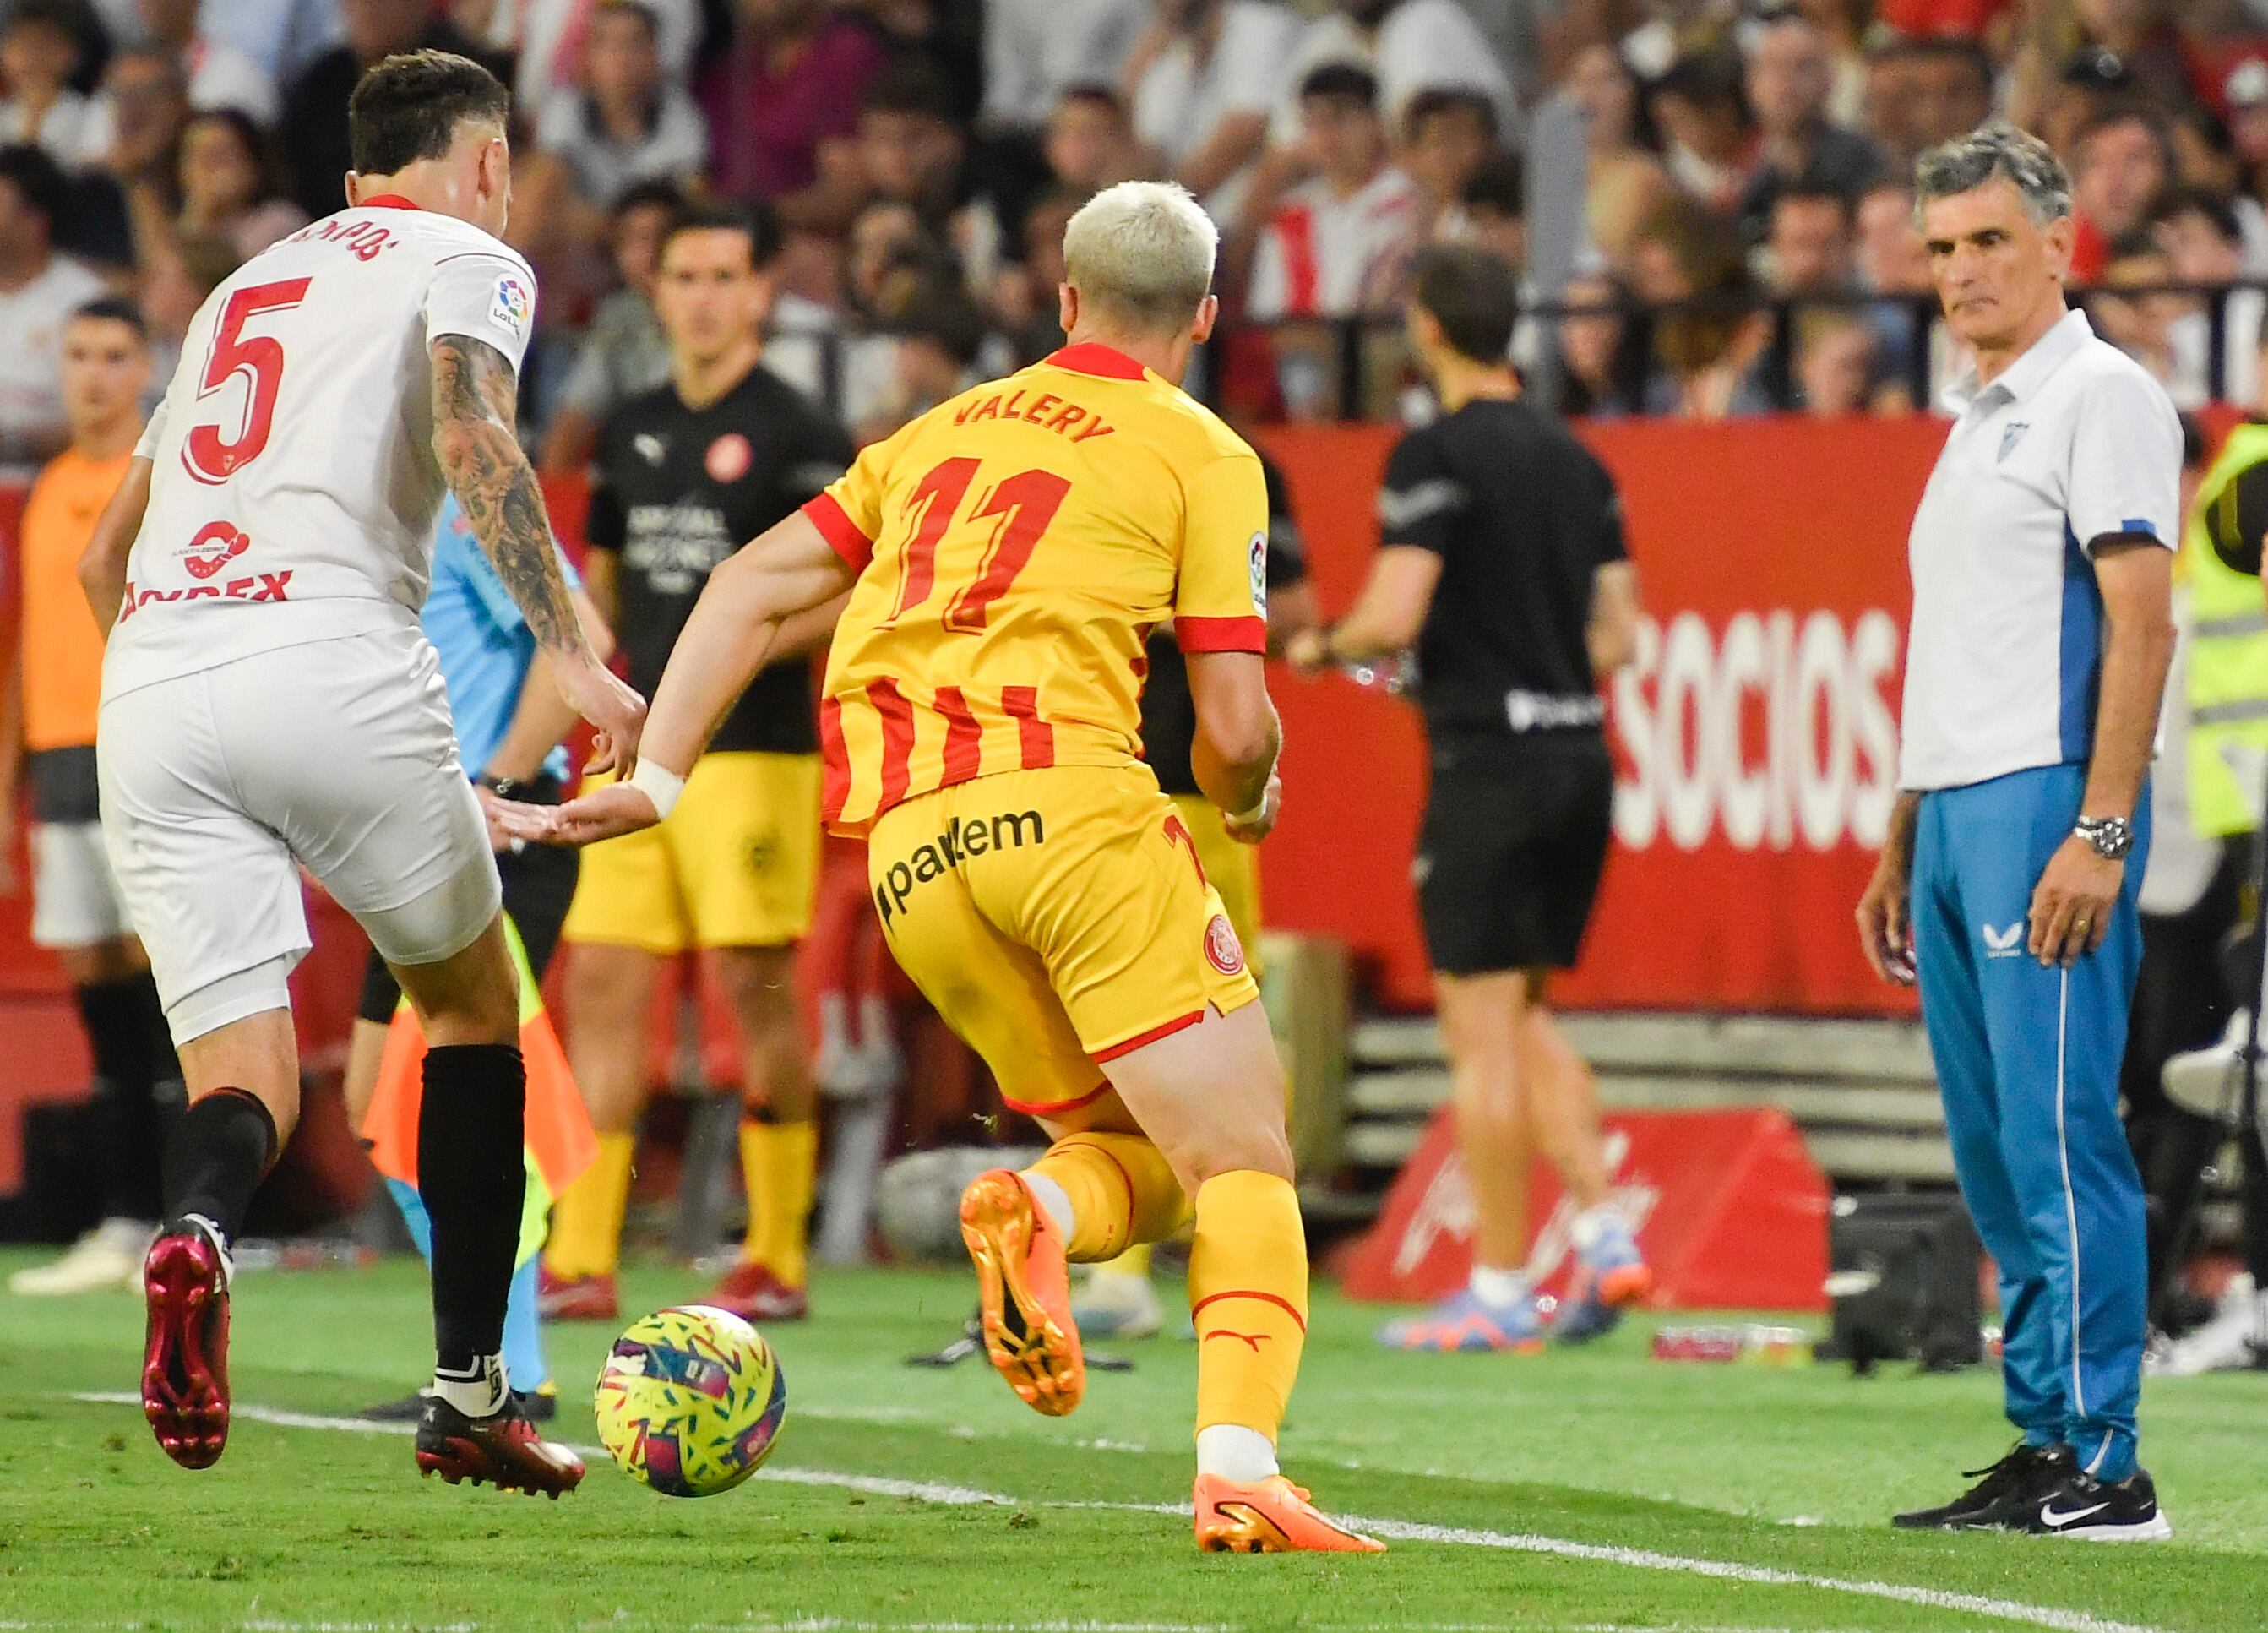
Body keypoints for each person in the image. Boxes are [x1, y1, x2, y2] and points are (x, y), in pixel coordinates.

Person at [519, 179, 1383, 1554]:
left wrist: (657, 776)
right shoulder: (1206, 451)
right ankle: (1237, 1467)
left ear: (1062, 303)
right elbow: (1226, 726)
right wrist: (1254, 788)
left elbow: (745, 582)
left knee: (1129, 1154)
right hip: (1080, 817)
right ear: (1208, 318)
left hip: (918, 852)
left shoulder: (936, 433)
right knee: (1247, 1166)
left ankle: (1034, 1201)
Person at [84, 47, 639, 1492]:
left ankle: (197, 1232)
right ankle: (473, 1394)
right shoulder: (470, 253)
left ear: (349, 184)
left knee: (242, 1070)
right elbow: (472, 433)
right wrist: (570, 649)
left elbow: (101, 555)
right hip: (331, 647)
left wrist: (193, 689)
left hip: (150, 668)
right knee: (469, 1006)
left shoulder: (236, 291)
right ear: (491, 166)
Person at [1856, 122, 2178, 1540]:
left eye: (1990, 240)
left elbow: (2142, 620)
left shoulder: (2101, 395)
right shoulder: (1977, 410)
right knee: (1997, 1155)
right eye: (1941, 248)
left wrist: (2101, 829)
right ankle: (2047, 1437)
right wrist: (1897, 834)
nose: (1962, 271)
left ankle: (2111, 1465)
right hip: (1958, 805)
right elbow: (1960, 645)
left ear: (2061, 243)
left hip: (2050, 795)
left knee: (2060, 1139)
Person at [1286, 245, 1646, 1353]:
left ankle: (1496, 1287)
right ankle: (1603, 1229)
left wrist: (1320, 645)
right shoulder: (1578, 462)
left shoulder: (1434, 451)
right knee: (1525, 1014)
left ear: (1430, 329)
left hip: (1488, 768)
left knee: (1478, 1034)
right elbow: (1615, 637)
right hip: (1581, 759)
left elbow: (1394, 612)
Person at [541, 199, 851, 1327]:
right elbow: (608, 587)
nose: (706, 295)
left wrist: (741, 653)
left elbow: (851, 588)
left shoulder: (803, 429)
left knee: (752, 998)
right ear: (656, 292)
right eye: (686, 275)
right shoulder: (630, 428)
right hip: (630, 746)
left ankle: (775, 1250)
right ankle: (582, 1252)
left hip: (752, 751)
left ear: (764, 291)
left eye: (727, 274)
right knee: (608, 988)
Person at [340, 492, 614, 1421]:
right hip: (414, 840)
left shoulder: (457, 505)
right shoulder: (362, 514)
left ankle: (514, 1371)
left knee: (456, 1089)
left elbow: (578, 629)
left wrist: (495, 785)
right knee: (376, 1103)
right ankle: (485, 1356)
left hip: (496, 837)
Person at [1075, 451, 1319, 1339]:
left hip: (1194, 787)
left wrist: (1185, 608)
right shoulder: (1061, 447)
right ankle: (1122, 1267)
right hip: (1082, 784)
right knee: (1095, 1019)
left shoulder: (1234, 463)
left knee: (1226, 1018)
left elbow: (1294, 615)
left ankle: (1238, 1251)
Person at [2, 300, 181, 1298]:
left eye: (116, 355)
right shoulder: (50, 488)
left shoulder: (159, 483)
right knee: (100, 996)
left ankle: (185, 1221)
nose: (95, 376)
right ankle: (121, 1221)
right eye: (78, 356)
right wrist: (8, 782)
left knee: (167, 991)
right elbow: (30, 644)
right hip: (62, 760)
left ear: (146, 366)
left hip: (141, 750)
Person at [0, 144, 105, 483]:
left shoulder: (82, 300)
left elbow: (107, 417)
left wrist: (14, 445)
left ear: (35, 219)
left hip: (42, 484)